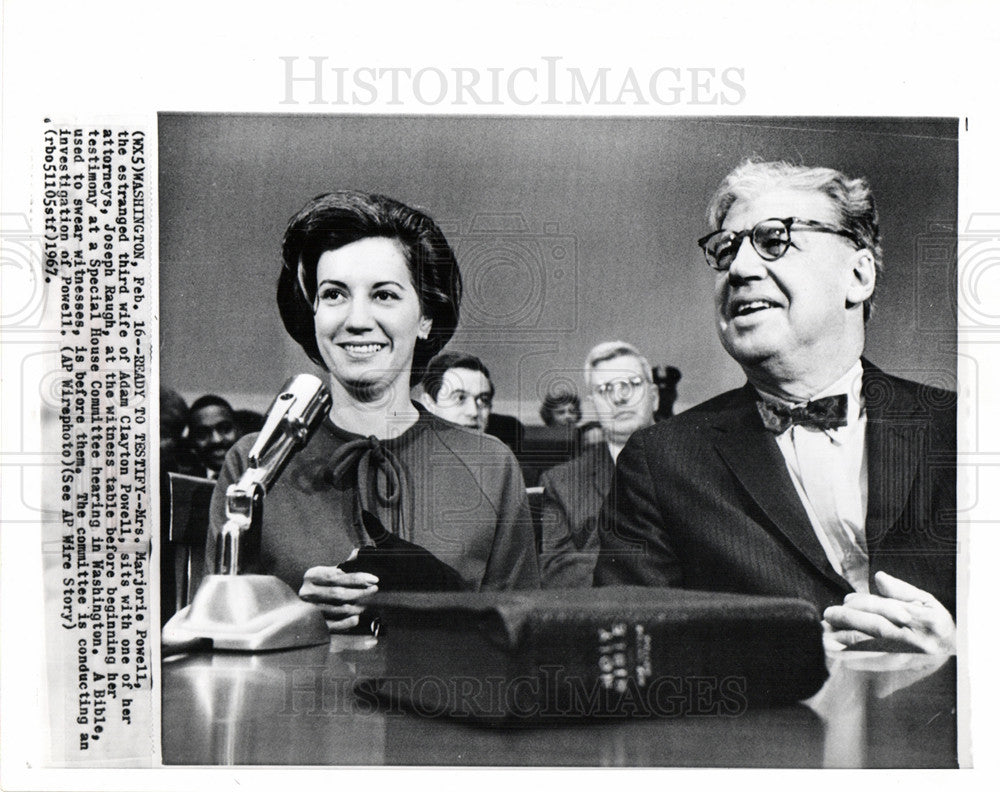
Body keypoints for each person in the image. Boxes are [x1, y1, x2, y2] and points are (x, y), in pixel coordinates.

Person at [594, 160, 956, 654]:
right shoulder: (660, 462)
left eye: (775, 239)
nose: (740, 268)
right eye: (726, 249)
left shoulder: (967, 431)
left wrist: (966, 663)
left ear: (858, 274)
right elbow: (627, 653)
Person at [207, 191, 539, 631]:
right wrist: (293, 616)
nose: (356, 319)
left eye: (384, 295)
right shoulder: (252, 464)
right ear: (314, 314)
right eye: (334, 295)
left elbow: (523, 642)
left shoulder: (490, 464)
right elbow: (218, 639)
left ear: (425, 318)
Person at [539, 342, 658, 588]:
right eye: (605, 389)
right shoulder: (561, 483)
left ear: (654, 397)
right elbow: (557, 571)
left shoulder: (701, 464)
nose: (619, 397)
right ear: (594, 405)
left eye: (632, 385)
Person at [419, 351, 495, 432]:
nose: (474, 412)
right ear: (429, 404)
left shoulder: (497, 444)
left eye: (483, 400)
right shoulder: (412, 442)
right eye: (460, 398)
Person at [187, 395, 239, 478]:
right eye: (202, 434)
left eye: (225, 429)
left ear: (239, 431)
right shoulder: (183, 485)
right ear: (192, 441)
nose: (216, 440)